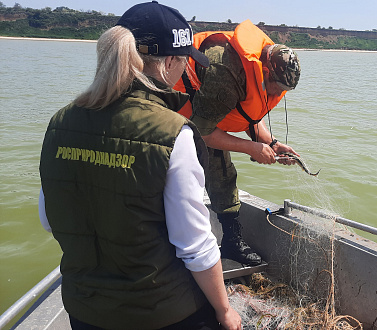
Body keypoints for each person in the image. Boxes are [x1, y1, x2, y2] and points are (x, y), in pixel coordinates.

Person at [38, 2, 241, 329]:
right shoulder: (172, 132)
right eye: (185, 60)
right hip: (162, 314)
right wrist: (224, 310)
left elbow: (50, 219)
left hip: (84, 310)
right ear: (170, 63)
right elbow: (196, 247)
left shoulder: (60, 122)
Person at [173, 20, 301, 266]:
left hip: (209, 111)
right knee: (181, 177)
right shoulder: (226, 73)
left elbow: (248, 115)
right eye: (276, 88)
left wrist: (272, 144)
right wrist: (252, 148)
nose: (275, 95)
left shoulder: (263, 67)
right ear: (266, 71)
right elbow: (204, 132)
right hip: (177, 111)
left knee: (223, 174)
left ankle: (231, 242)